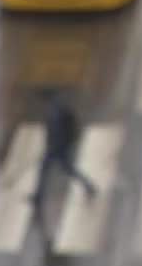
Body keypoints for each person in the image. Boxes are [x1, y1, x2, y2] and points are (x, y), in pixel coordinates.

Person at [30, 90, 96, 226]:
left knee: (63, 170)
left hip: (59, 149)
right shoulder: (56, 108)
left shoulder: (54, 112)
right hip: (57, 148)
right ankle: (38, 196)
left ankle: (89, 186)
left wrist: (54, 146)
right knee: (50, 171)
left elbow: (56, 132)